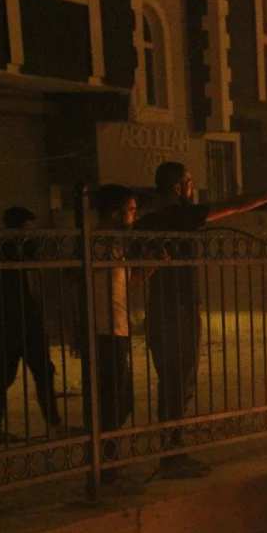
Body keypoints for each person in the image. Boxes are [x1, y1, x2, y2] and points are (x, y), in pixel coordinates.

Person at [135, 162, 267, 479]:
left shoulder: (150, 221)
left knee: (173, 385)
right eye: (190, 183)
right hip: (178, 313)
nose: (193, 188)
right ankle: (171, 457)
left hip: (161, 312)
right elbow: (233, 206)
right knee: (179, 386)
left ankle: (172, 454)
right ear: (178, 188)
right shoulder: (179, 216)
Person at [89, 184, 159, 494]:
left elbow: (128, 283)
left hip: (117, 329)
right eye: (131, 210)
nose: (135, 215)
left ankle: (107, 461)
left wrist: (153, 263)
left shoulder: (114, 243)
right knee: (112, 402)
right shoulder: (98, 242)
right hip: (103, 332)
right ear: (116, 212)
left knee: (121, 400)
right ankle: (105, 466)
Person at [0, 206, 62, 444]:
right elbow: (33, 282)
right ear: (21, 226)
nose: (33, 230)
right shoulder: (24, 246)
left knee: (5, 374)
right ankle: (55, 425)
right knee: (42, 371)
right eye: (30, 225)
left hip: (5, 318)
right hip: (26, 319)